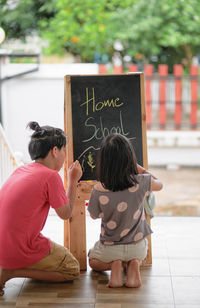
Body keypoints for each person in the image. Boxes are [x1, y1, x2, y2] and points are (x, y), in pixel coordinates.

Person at [0, 121, 82, 296]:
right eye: (64, 151)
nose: (65, 156)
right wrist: (73, 180)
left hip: (3, 245)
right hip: (19, 247)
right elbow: (65, 213)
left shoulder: (20, 170)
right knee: (71, 268)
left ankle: (10, 266)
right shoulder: (50, 176)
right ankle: (11, 272)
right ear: (54, 151)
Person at [87, 133, 163, 288]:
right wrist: (140, 169)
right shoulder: (141, 182)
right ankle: (133, 264)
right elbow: (159, 184)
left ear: (104, 162)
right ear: (130, 159)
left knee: (92, 260)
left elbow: (93, 215)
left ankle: (116, 265)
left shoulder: (98, 189)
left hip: (109, 248)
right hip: (138, 248)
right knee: (137, 254)